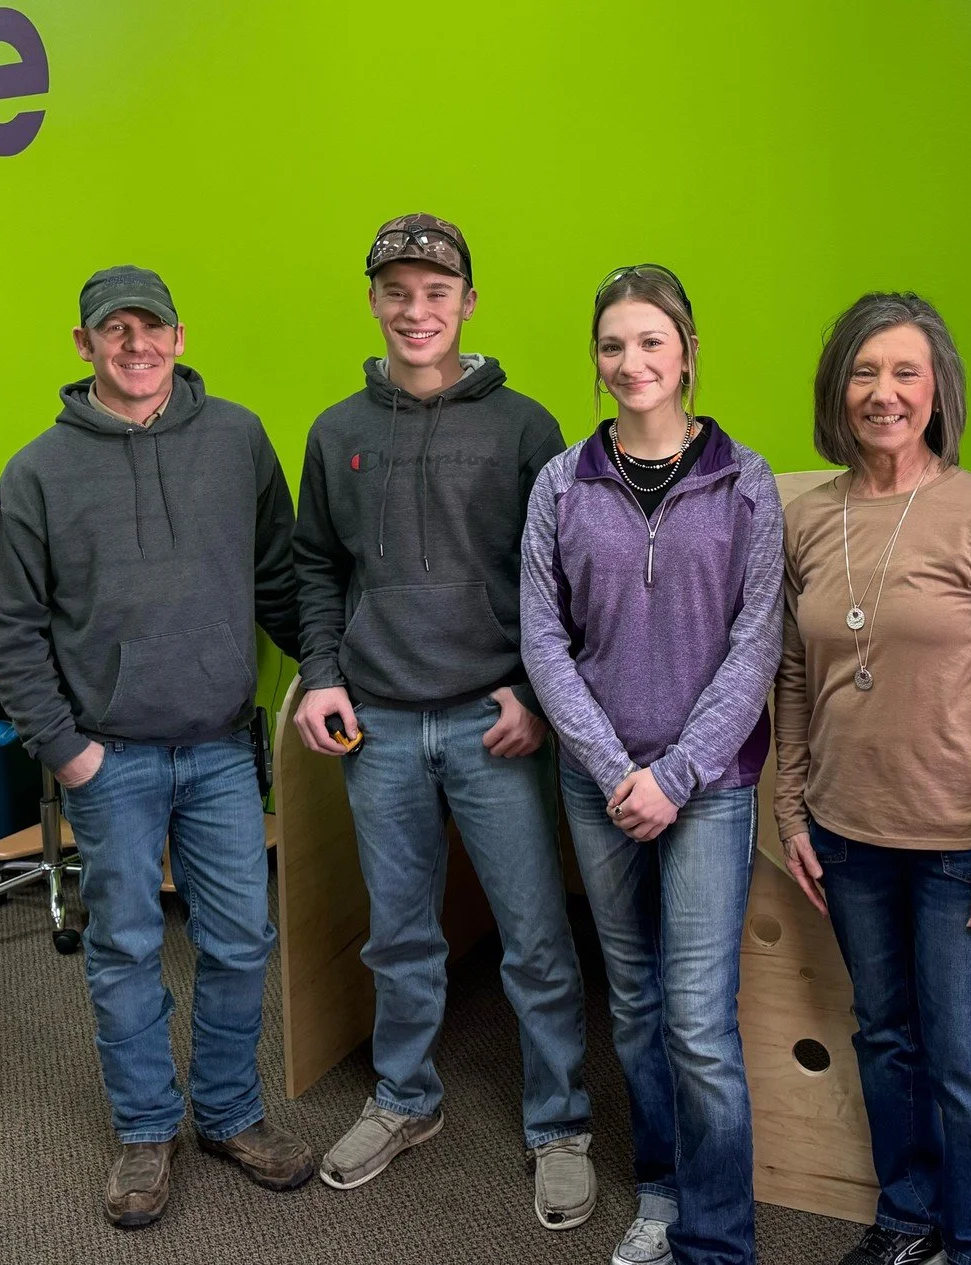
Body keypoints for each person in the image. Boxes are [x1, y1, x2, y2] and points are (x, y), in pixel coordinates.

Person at [0, 265, 314, 1229]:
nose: (136, 344)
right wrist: (67, 750)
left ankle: (228, 1113)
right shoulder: (37, 471)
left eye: (151, 327)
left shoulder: (238, 439)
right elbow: (8, 627)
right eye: (113, 329)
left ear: (179, 334)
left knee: (243, 939)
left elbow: (281, 578)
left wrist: (327, 667)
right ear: (82, 344)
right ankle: (143, 1129)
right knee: (124, 947)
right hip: (108, 759)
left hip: (217, 749)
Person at [291, 214, 595, 1230]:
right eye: (396, 291)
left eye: (436, 291)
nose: (415, 309)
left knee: (535, 936)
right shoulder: (337, 432)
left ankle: (560, 1122)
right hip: (376, 724)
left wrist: (533, 692)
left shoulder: (525, 427)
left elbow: (559, 579)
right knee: (401, 933)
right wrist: (322, 675)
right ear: (373, 301)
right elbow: (316, 567)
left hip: (492, 722)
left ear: (468, 300)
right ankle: (405, 1097)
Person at [774, 292, 971, 1265]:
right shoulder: (809, 520)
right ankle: (909, 1217)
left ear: (937, 391)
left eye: (904, 372)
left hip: (962, 851)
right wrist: (791, 808)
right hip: (847, 841)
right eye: (863, 370)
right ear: (837, 387)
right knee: (886, 1040)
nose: (882, 392)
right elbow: (795, 677)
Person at [521, 263, 784, 1265]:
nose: (631, 362)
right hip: (598, 784)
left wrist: (675, 773)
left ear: (688, 351)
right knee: (630, 1001)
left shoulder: (743, 479)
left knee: (698, 1021)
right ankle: (667, 1190)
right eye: (612, 345)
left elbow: (757, 639)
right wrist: (607, 762)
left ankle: (719, 1239)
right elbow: (543, 638)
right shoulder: (561, 482)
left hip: (708, 789)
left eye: (650, 342)